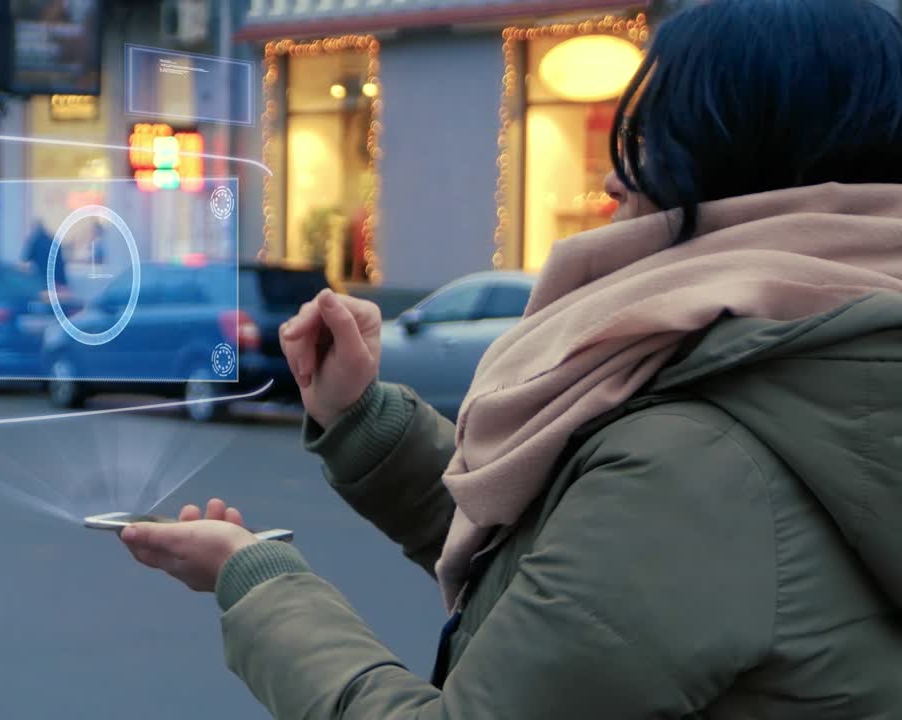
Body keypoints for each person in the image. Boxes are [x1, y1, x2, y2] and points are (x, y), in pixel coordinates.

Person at [119, 1, 902, 717]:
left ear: (742, 163)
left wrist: (259, 581)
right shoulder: (819, 351)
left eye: (653, 142)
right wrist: (362, 421)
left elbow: (635, 533)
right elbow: (571, 564)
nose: (613, 178)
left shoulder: (699, 460)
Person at [21, 219, 67, 293]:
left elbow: (26, 259)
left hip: (43, 279)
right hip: (57, 279)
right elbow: (60, 262)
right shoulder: (54, 241)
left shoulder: (36, 242)